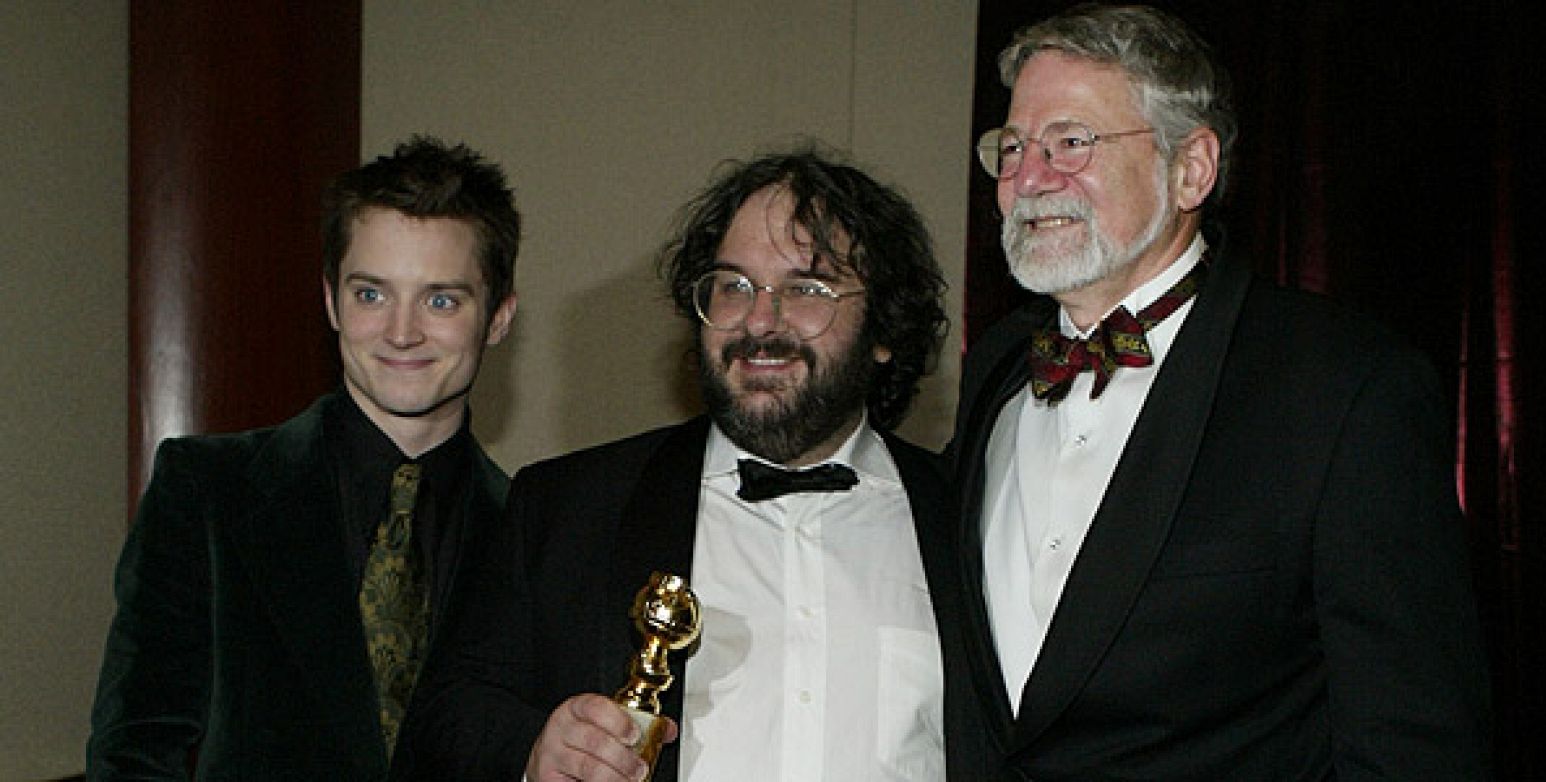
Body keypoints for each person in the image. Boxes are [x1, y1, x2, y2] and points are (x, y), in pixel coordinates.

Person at [943, 4, 1492, 779]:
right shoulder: (997, 369)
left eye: (1071, 142)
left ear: (1191, 168)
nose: (1029, 179)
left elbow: (1416, 746)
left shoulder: (1344, 388)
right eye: (1013, 147)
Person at [394, 148, 957, 782]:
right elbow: (440, 728)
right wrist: (532, 752)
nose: (759, 321)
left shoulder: (964, 519)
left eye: (806, 288)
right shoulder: (567, 509)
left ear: (884, 329)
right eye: (733, 285)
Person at [86, 136, 521, 780]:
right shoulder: (207, 492)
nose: (401, 332)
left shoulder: (531, 532)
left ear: (499, 317)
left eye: (440, 299)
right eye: (371, 294)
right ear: (330, 301)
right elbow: (136, 753)